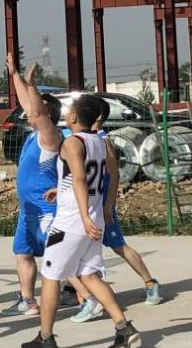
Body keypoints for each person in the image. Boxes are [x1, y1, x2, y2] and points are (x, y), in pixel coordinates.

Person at [22, 93, 140, 348]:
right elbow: (106, 176)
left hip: (73, 221)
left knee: (50, 277)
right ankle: (123, 327)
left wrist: (84, 216)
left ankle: (46, 337)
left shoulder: (72, 143)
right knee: (89, 275)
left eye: (69, 110)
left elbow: (79, 179)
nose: (65, 113)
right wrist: (103, 207)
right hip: (94, 215)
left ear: (74, 117)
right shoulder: (100, 141)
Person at [70, 99, 165, 323]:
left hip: (101, 205)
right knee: (79, 253)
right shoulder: (82, 139)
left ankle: (150, 283)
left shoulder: (102, 141)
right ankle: (86, 296)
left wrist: (108, 205)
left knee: (118, 245)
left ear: (96, 117)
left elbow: (113, 176)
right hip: (86, 206)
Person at [2, 54, 63, 316]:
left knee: (60, 256)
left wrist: (31, 83)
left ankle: (88, 297)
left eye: (36, 107)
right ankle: (27, 301)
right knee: (23, 252)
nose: (29, 110)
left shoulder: (51, 136)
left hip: (47, 208)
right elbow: (30, 107)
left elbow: (36, 110)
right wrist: (15, 75)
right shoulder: (36, 134)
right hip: (29, 208)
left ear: (47, 114)